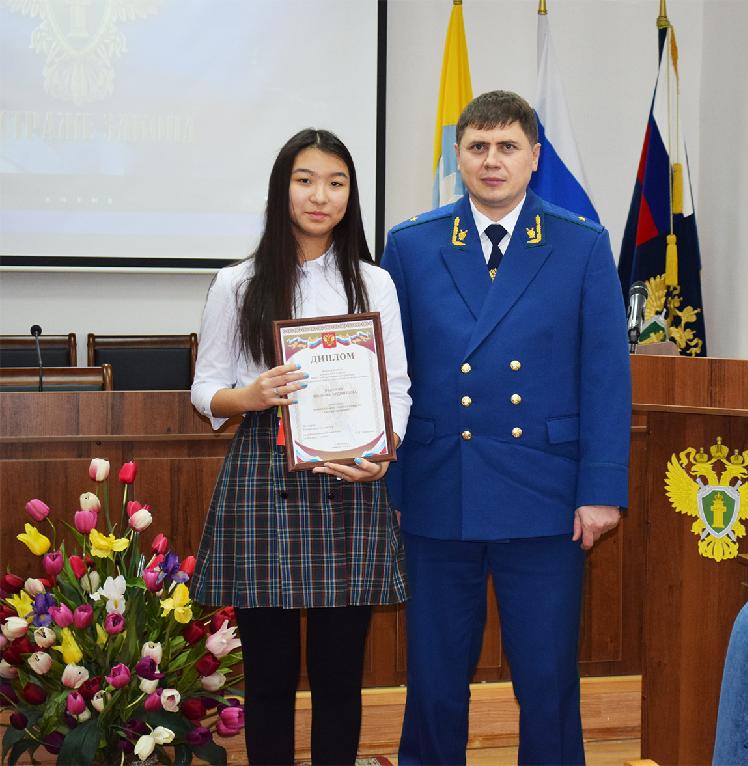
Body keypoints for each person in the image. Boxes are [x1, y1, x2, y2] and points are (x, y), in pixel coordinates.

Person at [380, 90, 631, 765]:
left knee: (546, 679)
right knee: (433, 676)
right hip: (438, 490)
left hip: (546, 495)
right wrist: (394, 487)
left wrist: (601, 488)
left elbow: (605, 374)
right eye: (478, 146)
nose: (492, 160)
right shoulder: (410, 245)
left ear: (533, 158)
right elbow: (390, 375)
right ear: (456, 157)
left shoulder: (579, 244)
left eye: (507, 146)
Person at [190, 128, 411, 766]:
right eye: (306, 180)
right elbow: (205, 392)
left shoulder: (375, 284)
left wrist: (383, 452)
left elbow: (397, 386)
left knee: (342, 679)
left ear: (351, 197)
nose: (321, 196)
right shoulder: (236, 284)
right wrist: (251, 394)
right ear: (282, 188)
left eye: (336, 183)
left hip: (351, 480)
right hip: (265, 475)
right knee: (268, 678)